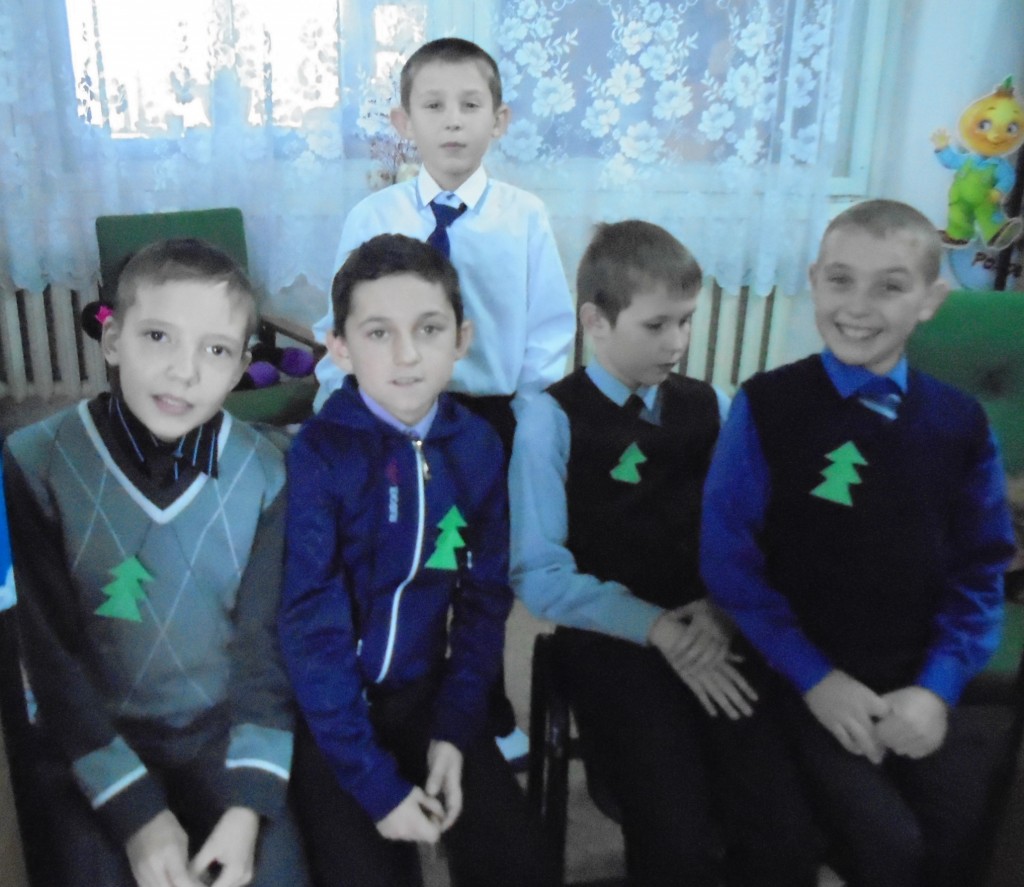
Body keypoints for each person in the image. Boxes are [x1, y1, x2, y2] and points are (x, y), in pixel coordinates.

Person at [701, 199, 1017, 887]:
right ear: (814, 279)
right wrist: (816, 679)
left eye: (890, 286)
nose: (858, 306)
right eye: (840, 280)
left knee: (962, 839)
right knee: (882, 846)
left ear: (930, 300)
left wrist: (936, 689)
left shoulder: (960, 424)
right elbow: (729, 562)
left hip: (912, 675)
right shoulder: (766, 406)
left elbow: (980, 568)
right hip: (796, 678)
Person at [510, 220, 820, 887]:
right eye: (656, 325)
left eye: (685, 321)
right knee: (675, 837)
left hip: (716, 627)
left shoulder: (717, 404)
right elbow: (539, 574)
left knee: (781, 829)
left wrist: (722, 610)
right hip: (613, 639)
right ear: (595, 321)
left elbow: (759, 529)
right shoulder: (548, 419)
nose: (677, 342)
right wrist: (656, 629)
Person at [2, 239, 309, 887]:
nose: (183, 372)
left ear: (241, 367)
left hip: (221, 733)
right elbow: (48, 656)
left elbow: (264, 647)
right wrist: (137, 813)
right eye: (159, 337)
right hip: (92, 737)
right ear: (113, 339)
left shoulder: (268, 472)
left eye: (215, 350)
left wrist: (247, 806)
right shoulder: (34, 460)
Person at [314, 37, 576, 760]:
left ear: (500, 119)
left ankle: (486, 706)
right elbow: (340, 323)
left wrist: (527, 426)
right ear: (404, 123)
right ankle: (388, 691)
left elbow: (549, 332)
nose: (453, 120)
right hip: (389, 412)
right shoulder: (373, 216)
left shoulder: (524, 216)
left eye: (470, 104)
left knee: (472, 568)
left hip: (481, 420)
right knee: (394, 556)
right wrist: (340, 414)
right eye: (433, 106)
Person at [280, 233, 546, 887]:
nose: (407, 355)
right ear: (339, 347)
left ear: (461, 338)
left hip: (427, 696)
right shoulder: (319, 454)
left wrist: (455, 729)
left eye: (429, 329)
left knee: (518, 861)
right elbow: (311, 628)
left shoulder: (478, 446)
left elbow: (484, 600)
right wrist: (375, 784)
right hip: (330, 714)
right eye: (378, 333)